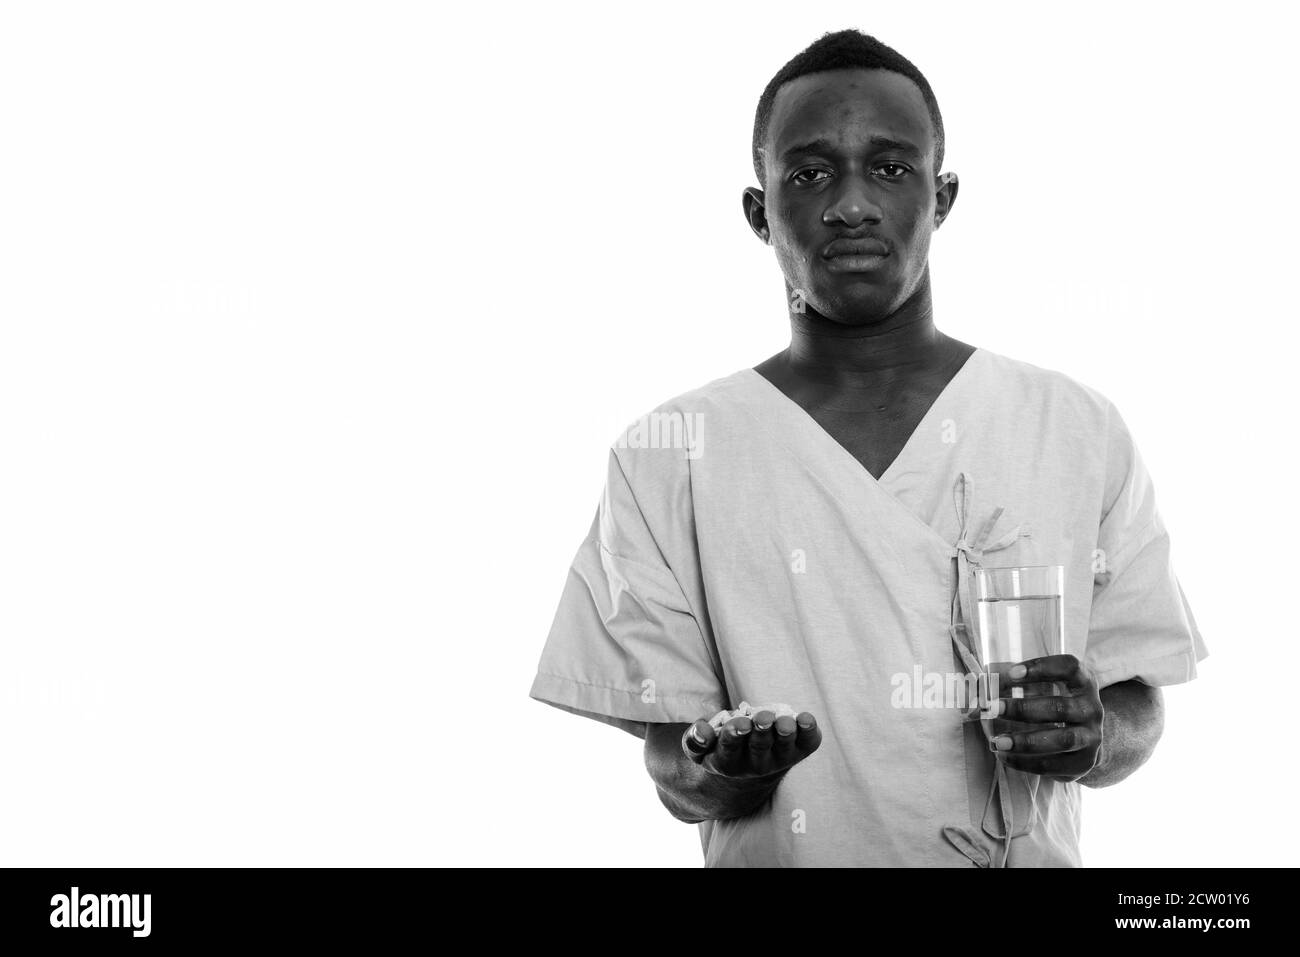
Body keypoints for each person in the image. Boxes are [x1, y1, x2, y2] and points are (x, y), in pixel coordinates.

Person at [528, 28, 1207, 867]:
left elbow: (1138, 701)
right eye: (810, 174)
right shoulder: (671, 453)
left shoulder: (1073, 427)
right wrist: (725, 769)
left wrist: (1089, 733)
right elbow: (673, 758)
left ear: (944, 195)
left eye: (890, 168)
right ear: (759, 210)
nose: (851, 204)